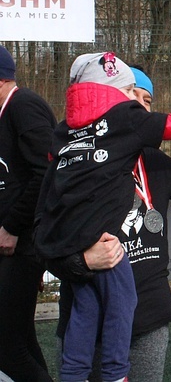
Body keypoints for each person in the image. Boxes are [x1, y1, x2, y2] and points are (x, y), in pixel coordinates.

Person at [34, 52, 171, 382]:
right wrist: (83, 261)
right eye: (132, 95)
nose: (140, 106)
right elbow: (44, 234)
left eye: (147, 100)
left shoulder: (156, 162)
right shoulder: (73, 159)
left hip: (146, 318)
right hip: (85, 312)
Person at [0, 46, 56, 381]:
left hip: (26, 242)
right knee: (20, 337)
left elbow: (46, 173)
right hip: (13, 243)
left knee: (6, 342)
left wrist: (11, 226)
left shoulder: (24, 106)